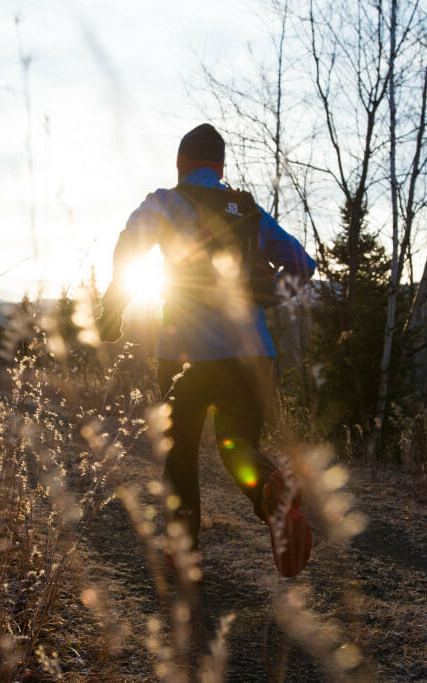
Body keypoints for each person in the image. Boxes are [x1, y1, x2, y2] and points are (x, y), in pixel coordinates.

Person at [97, 123, 317, 578]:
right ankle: (272, 497)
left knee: (180, 456)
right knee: (239, 447)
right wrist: (272, 296)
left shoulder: (165, 201)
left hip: (184, 353)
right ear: (220, 168)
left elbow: (130, 247)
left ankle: (184, 555)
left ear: (180, 164)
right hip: (253, 353)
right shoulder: (249, 210)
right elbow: (301, 263)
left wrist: (113, 310)